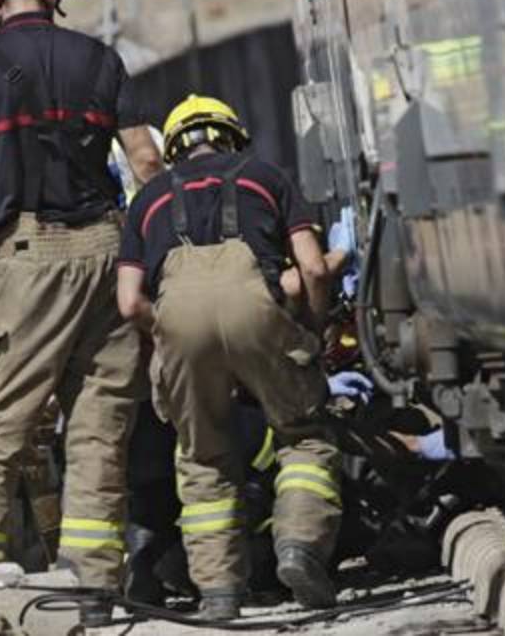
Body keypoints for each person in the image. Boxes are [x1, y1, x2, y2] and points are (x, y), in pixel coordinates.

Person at [0, 0, 162, 626]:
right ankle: (92, 591)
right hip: (107, 251)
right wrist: (150, 247)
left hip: (27, 258)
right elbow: (146, 157)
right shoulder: (100, 58)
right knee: (97, 429)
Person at [117, 95, 341, 620]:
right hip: (257, 311)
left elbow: (129, 301)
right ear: (232, 136)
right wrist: (309, 328)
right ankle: (300, 547)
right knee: (303, 434)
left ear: (173, 148)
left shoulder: (147, 200)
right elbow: (312, 268)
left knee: (202, 457)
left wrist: (170, 330)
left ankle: (218, 593)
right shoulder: (266, 177)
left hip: (178, 323)